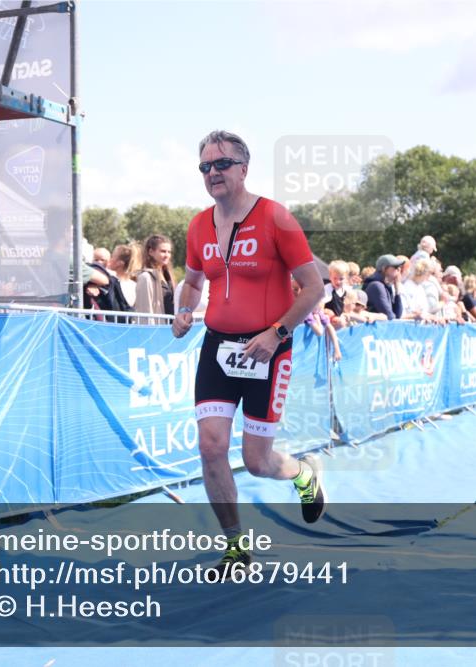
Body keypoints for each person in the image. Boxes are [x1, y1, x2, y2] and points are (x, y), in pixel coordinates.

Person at [172, 130, 326, 573]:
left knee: (256, 462)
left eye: (221, 164)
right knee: (210, 445)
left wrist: (276, 334)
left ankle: (302, 473)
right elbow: (193, 281)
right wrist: (184, 310)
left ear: (244, 168)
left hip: (268, 348)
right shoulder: (199, 224)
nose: (212, 173)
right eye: (205, 166)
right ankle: (236, 546)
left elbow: (313, 287)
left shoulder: (276, 217)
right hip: (217, 347)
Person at [135, 234, 176, 320]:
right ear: (151, 252)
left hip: (170, 328)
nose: (167, 255)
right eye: (163, 251)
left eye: (169, 252)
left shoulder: (167, 276)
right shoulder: (146, 277)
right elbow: (145, 311)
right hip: (156, 329)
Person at [364, 254, 405, 319]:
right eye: (395, 267)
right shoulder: (376, 286)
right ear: (384, 269)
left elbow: (398, 314)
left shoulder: (385, 285)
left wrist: (397, 289)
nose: (398, 270)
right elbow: (390, 316)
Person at [108, 243, 140, 311]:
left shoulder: (109, 281)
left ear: (120, 263)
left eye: (112, 257)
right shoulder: (135, 285)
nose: (110, 259)